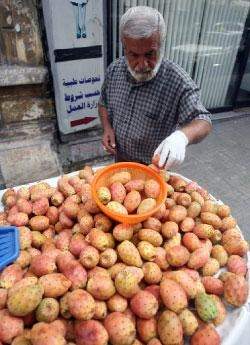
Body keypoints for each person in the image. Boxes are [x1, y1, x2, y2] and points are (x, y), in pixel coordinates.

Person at [98, 6, 212, 170]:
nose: (142, 64)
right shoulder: (114, 70)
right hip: (120, 160)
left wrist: (182, 137)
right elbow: (103, 104)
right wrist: (107, 128)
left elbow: (203, 120)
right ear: (125, 48)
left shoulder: (177, 81)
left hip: (153, 169)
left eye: (150, 54)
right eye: (134, 55)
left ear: (160, 46)